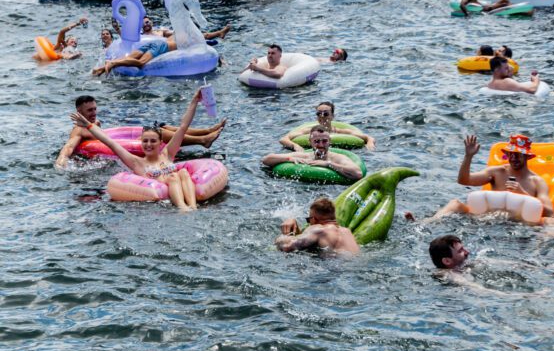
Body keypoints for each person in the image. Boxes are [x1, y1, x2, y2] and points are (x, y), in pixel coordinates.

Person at [70, 91, 206, 211]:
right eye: (145, 141)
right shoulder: (136, 162)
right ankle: (182, 208)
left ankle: (193, 206)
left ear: (160, 143)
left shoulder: (167, 154)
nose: (148, 145)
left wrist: (194, 101)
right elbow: (110, 143)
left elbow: (183, 127)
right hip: (164, 199)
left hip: (180, 190)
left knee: (181, 172)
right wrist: (88, 125)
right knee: (173, 176)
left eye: (153, 141)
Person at [56, 95, 227, 169]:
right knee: (157, 132)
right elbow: (69, 146)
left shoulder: (95, 123)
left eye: (94, 109)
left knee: (164, 127)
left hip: (119, 142)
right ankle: (203, 140)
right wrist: (62, 161)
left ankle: (206, 131)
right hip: (123, 148)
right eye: (89, 111)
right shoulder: (78, 129)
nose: (93, 114)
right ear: (79, 113)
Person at [429, 134, 554, 225]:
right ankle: (427, 223)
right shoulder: (497, 172)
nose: (513, 158)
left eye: (518, 155)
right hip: (489, 219)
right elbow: (464, 180)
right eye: (511, 154)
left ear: (527, 157)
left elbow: (549, 212)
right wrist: (468, 157)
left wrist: (523, 194)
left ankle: (543, 254)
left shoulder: (536, 181)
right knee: (455, 203)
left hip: (520, 223)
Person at [263, 126, 363, 181]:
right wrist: (290, 159)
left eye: (324, 141)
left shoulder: (337, 158)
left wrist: (329, 164)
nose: (321, 144)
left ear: (330, 142)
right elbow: (266, 160)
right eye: (316, 141)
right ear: (310, 142)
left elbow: (358, 173)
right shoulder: (305, 156)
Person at [275, 197, 360, 255]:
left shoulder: (320, 230)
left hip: (330, 273)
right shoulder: (347, 231)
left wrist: (281, 237)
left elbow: (287, 247)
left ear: (314, 219)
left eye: (308, 219)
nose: (309, 223)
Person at [279, 101, 376, 152]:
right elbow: (284, 139)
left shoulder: (340, 132)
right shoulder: (309, 131)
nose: (322, 116)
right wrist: (295, 145)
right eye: (319, 113)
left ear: (332, 116)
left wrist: (370, 144)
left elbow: (368, 138)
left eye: (325, 114)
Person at [486, 55, 554, 96]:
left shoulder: (491, 83)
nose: (508, 69)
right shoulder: (506, 81)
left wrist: (509, 74)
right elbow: (532, 90)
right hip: (538, 99)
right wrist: (536, 79)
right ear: (497, 70)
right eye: (506, 68)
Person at [142, 16, 231, 42]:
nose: (145, 24)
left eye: (147, 22)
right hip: (157, 50)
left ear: (151, 22)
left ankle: (219, 33)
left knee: (192, 34)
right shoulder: (140, 37)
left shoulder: (161, 32)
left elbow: (175, 33)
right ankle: (219, 33)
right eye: (142, 23)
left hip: (169, 45)